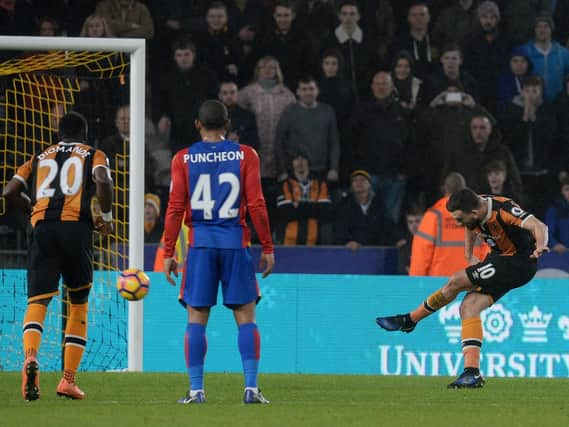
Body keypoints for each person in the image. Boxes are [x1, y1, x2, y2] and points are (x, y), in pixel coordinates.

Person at [376, 188, 549, 388]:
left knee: (456, 281)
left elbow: (539, 225)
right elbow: (471, 226)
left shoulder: (503, 210)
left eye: (459, 219)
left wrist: (541, 245)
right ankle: (471, 373)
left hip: (519, 262)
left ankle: (410, 319)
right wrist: (468, 253)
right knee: (469, 307)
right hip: (500, 259)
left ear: (474, 213)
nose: (458, 224)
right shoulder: (476, 210)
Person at [162, 100, 275, 404]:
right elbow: (256, 205)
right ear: (228, 126)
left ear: (197, 125)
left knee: (197, 317)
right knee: (246, 317)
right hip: (236, 244)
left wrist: (168, 251)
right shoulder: (246, 155)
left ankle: (197, 391)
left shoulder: (182, 159)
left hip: (199, 247)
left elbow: (174, 208)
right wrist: (267, 246)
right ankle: (251, 388)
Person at [1, 112, 114, 400]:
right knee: (78, 303)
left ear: (59, 134)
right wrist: (107, 217)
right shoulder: (93, 153)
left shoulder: (40, 157)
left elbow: (9, 191)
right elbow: (102, 179)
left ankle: (29, 357)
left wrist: (31, 209)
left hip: (43, 231)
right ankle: (68, 381)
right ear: (84, 134)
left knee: (37, 302)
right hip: (76, 231)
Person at [409, 173, 488, 276]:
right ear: (464, 190)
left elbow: (421, 255)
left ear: (445, 190)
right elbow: (488, 249)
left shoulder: (434, 215)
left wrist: (416, 284)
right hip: (472, 279)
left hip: (440, 284)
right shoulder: (477, 214)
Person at [275, 149, 333, 245]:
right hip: (288, 243)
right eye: (296, 159)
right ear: (292, 163)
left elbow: (325, 211)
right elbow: (285, 212)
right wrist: (313, 206)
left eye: (303, 159)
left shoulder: (320, 184)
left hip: (315, 243)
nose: (300, 162)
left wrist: (298, 206)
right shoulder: (284, 185)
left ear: (308, 162)